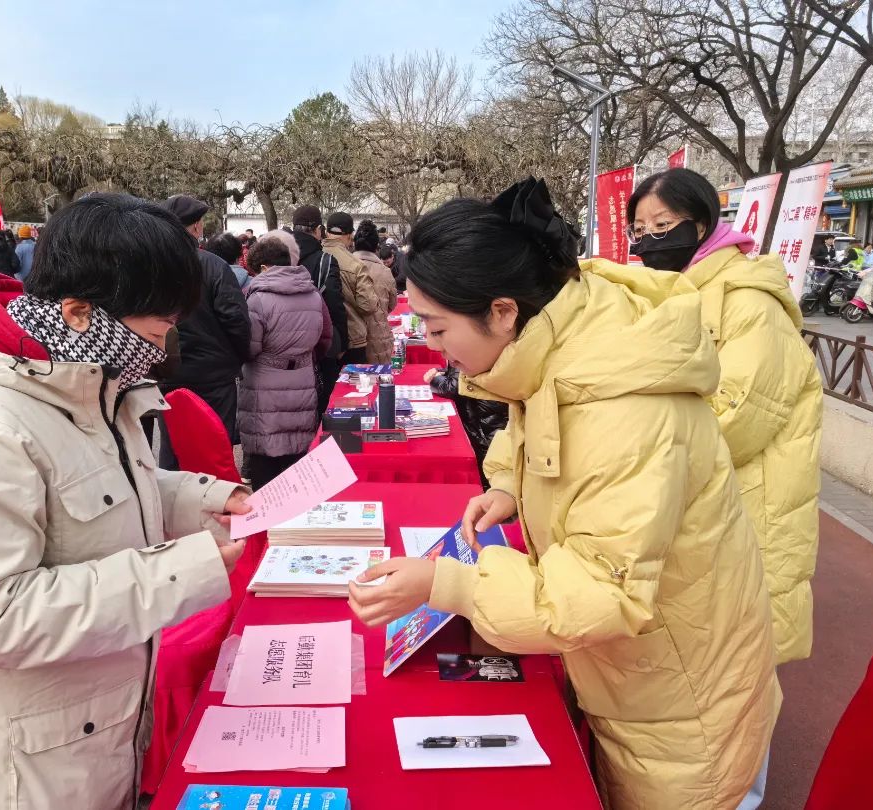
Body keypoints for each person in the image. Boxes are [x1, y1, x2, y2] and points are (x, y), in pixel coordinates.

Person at [346, 178, 779, 809]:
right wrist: (511, 486)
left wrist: (450, 585)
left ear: (502, 312)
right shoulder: (567, 340)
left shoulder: (623, 408)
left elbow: (602, 592)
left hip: (677, 690)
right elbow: (544, 428)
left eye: (438, 329)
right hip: (638, 668)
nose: (432, 347)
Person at [0, 193, 250, 810]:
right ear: (79, 312)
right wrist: (184, 570)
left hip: (81, 737)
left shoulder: (81, 377)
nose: (163, 349)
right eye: (154, 331)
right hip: (7, 773)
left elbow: (107, 489)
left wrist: (210, 497)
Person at [626, 168, 822, 664]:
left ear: (702, 223)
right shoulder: (673, 294)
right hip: (701, 493)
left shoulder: (749, 302)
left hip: (748, 503)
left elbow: (740, 417)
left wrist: (633, 449)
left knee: (739, 665)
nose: (650, 240)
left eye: (663, 225)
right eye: (640, 229)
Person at [239, 233, 331, 489]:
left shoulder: (257, 298)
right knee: (297, 459)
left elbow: (250, 347)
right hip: (303, 379)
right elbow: (325, 338)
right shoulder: (312, 294)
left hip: (263, 385)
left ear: (264, 267)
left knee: (264, 460)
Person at [160, 194, 251, 445]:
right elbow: (236, 320)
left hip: (168, 370)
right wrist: (238, 358)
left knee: (175, 445)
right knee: (215, 446)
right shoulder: (214, 266)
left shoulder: (149, 265)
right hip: (213, 373)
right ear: (196, 227)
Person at [292, 205, 347, 413]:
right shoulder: (324, 260)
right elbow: (334, 302)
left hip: (286, 342)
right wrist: (342, 341)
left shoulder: (282, 256)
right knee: (325, 395)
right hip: (320, 338)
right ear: (318, 230)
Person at [423, 365, 507, 481]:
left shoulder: (472, 356)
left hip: (485, 425)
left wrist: (435, 379)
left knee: (489, 470)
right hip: (489, 419)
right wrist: (443, 373)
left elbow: (453, 387)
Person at [322, 212, 377, 366]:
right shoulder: (355, 264)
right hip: (353, 338)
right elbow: (368, 305)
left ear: (327, 232)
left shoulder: (315, 256)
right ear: (349, 235)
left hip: (319, 336)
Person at [351, 220, 397, 364]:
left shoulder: (345, 267)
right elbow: (392, 304)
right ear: (377, 246)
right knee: (379, 377)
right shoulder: (385, 271)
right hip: (380, 337)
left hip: (352, 337)